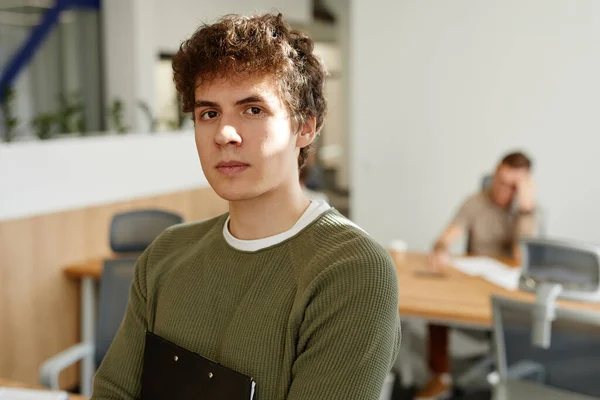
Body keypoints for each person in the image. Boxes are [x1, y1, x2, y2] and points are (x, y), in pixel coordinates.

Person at [91, 13, 401, 400]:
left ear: (305, 127)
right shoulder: (165, 255)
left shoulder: (351, 271)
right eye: (209, 113)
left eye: (253, 109)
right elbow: (113, 391)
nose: (224, 133)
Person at [417, 151, 537, 399]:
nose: (502, 189)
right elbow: (446, 237)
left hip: (510, 290)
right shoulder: (475, 201)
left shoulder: (531, 213)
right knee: (435, 305)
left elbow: (522, 259)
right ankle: (440, 376)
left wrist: (524, 211)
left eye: (511, 185)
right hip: (474, 284)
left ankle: (514, 384)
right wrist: (440, 249)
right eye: (499, 180)